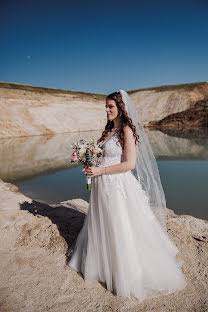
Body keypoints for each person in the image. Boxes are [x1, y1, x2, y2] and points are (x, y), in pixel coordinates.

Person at [67, 90, 187, 301]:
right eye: (106, 106)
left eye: (110, 106)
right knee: (105, 224)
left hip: (118, 186)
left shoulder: (126, 131)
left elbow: (129, 164)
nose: (107, 110)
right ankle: (103, 263)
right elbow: (100, 155)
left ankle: (125, 271)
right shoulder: (107, 132)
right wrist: (87, 160)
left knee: (120, 226)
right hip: (101, 186)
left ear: (121, 108)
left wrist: (101, 171)